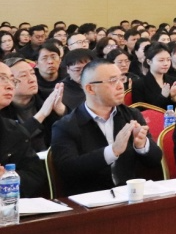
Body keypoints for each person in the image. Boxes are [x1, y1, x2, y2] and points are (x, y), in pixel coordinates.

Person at [50, 58, 163, 197]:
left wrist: (142, 145)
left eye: (121, 79)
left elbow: (155, 161)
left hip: (130, 195)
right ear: (90, 89)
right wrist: (112, 151)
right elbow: (67, 170)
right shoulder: (65, 126)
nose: (121, 86)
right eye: (112, 81)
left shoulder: (131, 115)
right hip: (90, 199)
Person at [0, 61, 48, 198]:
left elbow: (34, 175)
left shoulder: (13, 130)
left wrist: (8, 177)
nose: (10, 86)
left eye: (12, 80)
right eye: (2, 78)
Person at [2, 57, 65, 152]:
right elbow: (11, 141)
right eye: (23, 75)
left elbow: (72, 131)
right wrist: (41, 114)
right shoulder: (2, 106)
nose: (32, 79)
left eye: (32, 73)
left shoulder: (47, 97)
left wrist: (62, 111)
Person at [134, 43, 176, 108]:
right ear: (149, 62)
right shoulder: (139, 84)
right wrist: (163, 96)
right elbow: (141, 111)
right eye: (161, 60)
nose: (166, 63)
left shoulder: (174, 81)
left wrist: (174, 97)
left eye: (168, 60)